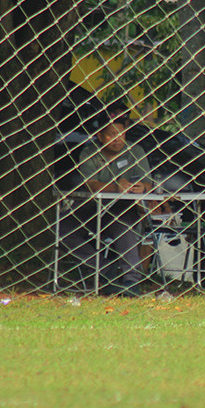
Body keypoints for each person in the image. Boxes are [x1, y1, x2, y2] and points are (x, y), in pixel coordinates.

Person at [77, 112, 155, 296]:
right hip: (92, 209)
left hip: (123, 208)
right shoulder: (89, 153)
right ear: (100, 136)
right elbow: (91, 184)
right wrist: (115, 187)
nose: (117, 139)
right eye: (112, 134)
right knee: (63, 228)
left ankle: (131, 280)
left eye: (121, 134)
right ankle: (105, 269)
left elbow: (148, 184)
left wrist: (141, 187)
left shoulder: (135, 151)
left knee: (122, 221)